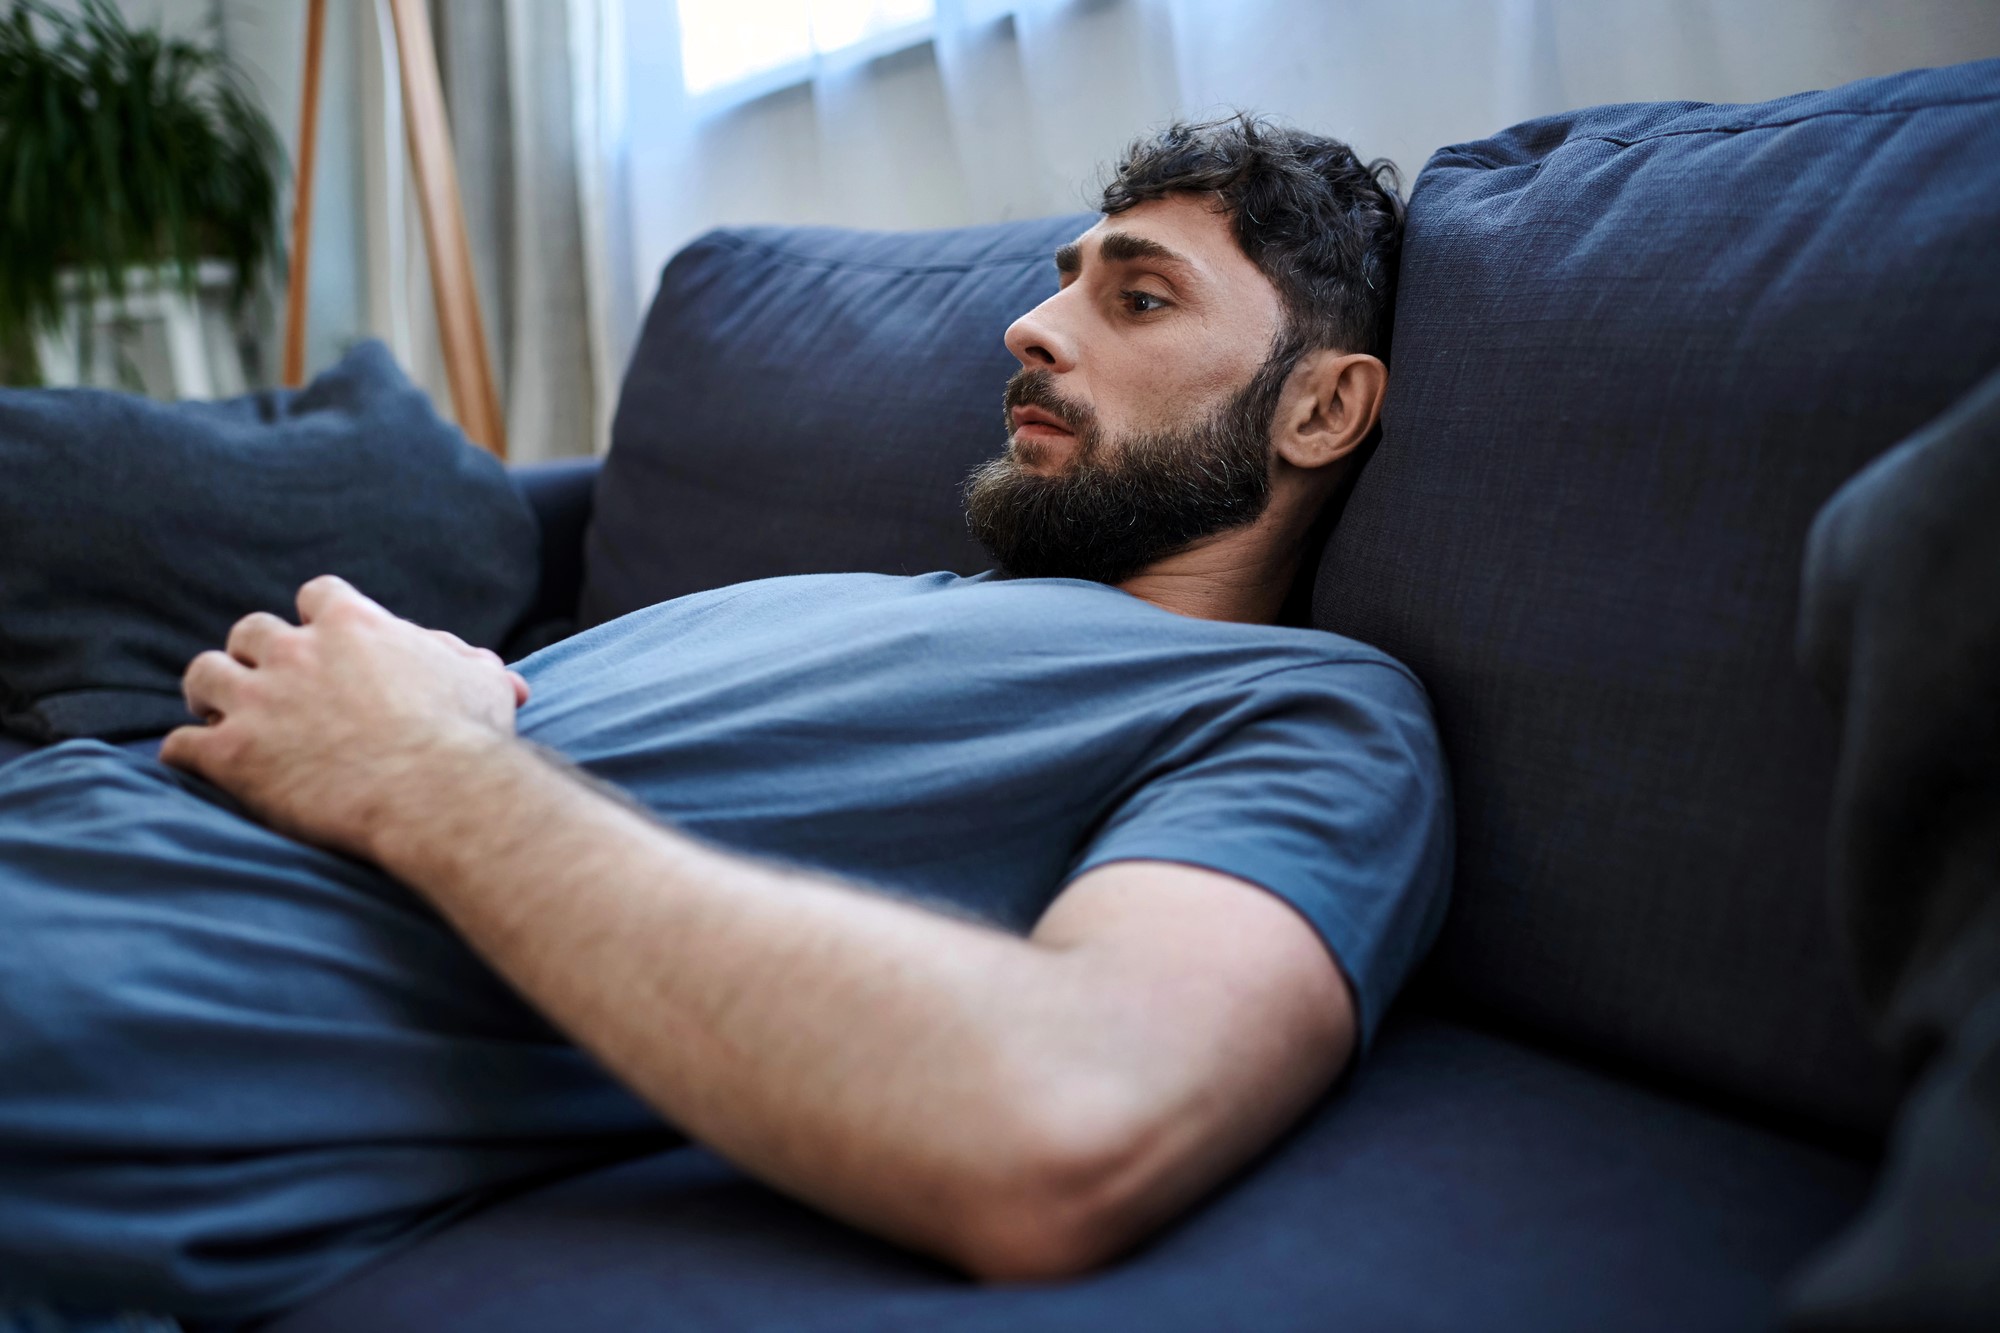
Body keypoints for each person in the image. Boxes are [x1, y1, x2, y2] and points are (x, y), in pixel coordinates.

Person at [0, 116, 1450, 1324]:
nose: (1029, 324)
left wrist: (419, 760)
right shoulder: (884, 597)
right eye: (1061, 279)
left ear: (1319, 410)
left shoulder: (1308, 710)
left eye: (1136, 297)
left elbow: (1067, 1115)